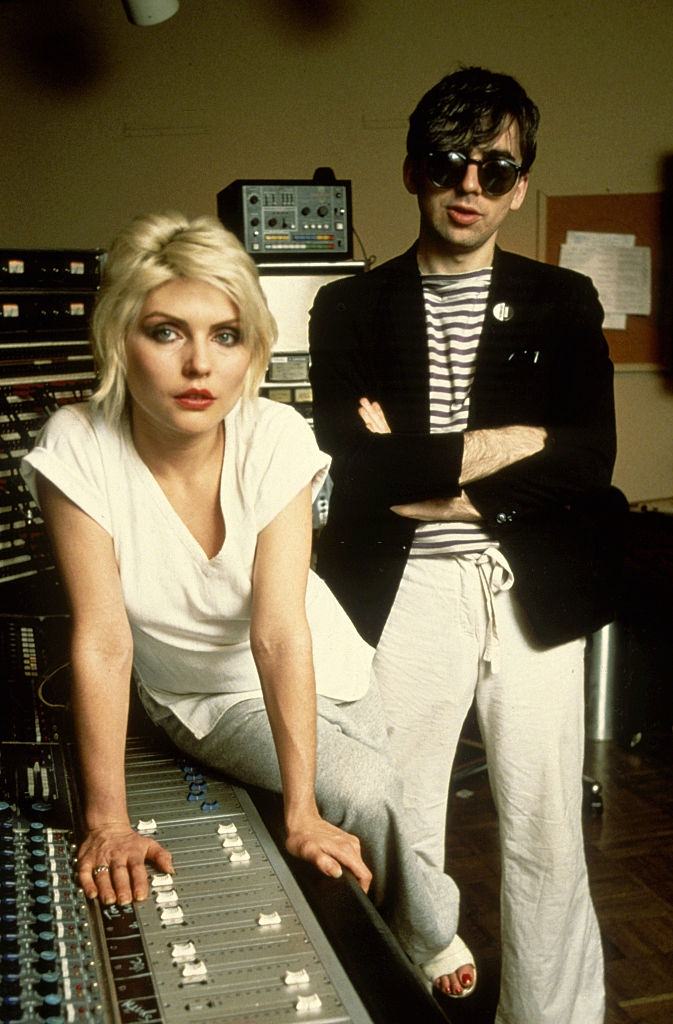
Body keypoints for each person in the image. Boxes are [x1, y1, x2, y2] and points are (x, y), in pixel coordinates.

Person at [20, 211, 478, 1000]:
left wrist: (300, 807)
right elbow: (101, 642)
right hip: (205, 693)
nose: (199, 364)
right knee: (365, 791)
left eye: (226, 335)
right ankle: (429, 940)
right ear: (119, 336)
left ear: (252, 349)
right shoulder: (76, 444)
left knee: (370, 799)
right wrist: (108, 819)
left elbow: (278, 631)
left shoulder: (275, 436)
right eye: (166, 332)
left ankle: (408, 930)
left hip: (323, 658)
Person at [309, 66, 626, 1024]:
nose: (471, 186)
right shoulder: (348, 309)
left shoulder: (563, 300)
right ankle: (402, 1008)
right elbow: (354, 474)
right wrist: (508, 446)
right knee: (401, 825)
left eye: (497, 168)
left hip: (529, 587)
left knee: (545, 831)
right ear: (415, 170)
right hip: (399, 599)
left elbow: (587, 458)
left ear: (520, 182)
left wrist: (430, 473)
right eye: (451, 163)